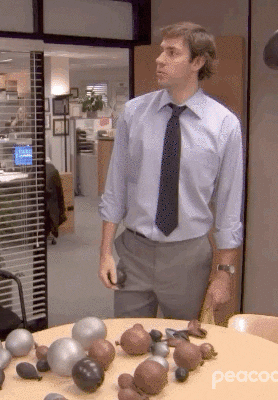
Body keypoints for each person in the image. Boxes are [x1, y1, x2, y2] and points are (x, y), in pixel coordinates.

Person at [98, 21, 244, 320]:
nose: (159, 59)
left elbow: (230, 208)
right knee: (128, 338)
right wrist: (105, 253)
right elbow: (115, 189)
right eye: (161, 50)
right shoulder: (134, 113)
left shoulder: (224, 125)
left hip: (188, 258)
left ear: (197, 62)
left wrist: (224, 273)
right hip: (134, 252)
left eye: (172, 53)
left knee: (184, 342)